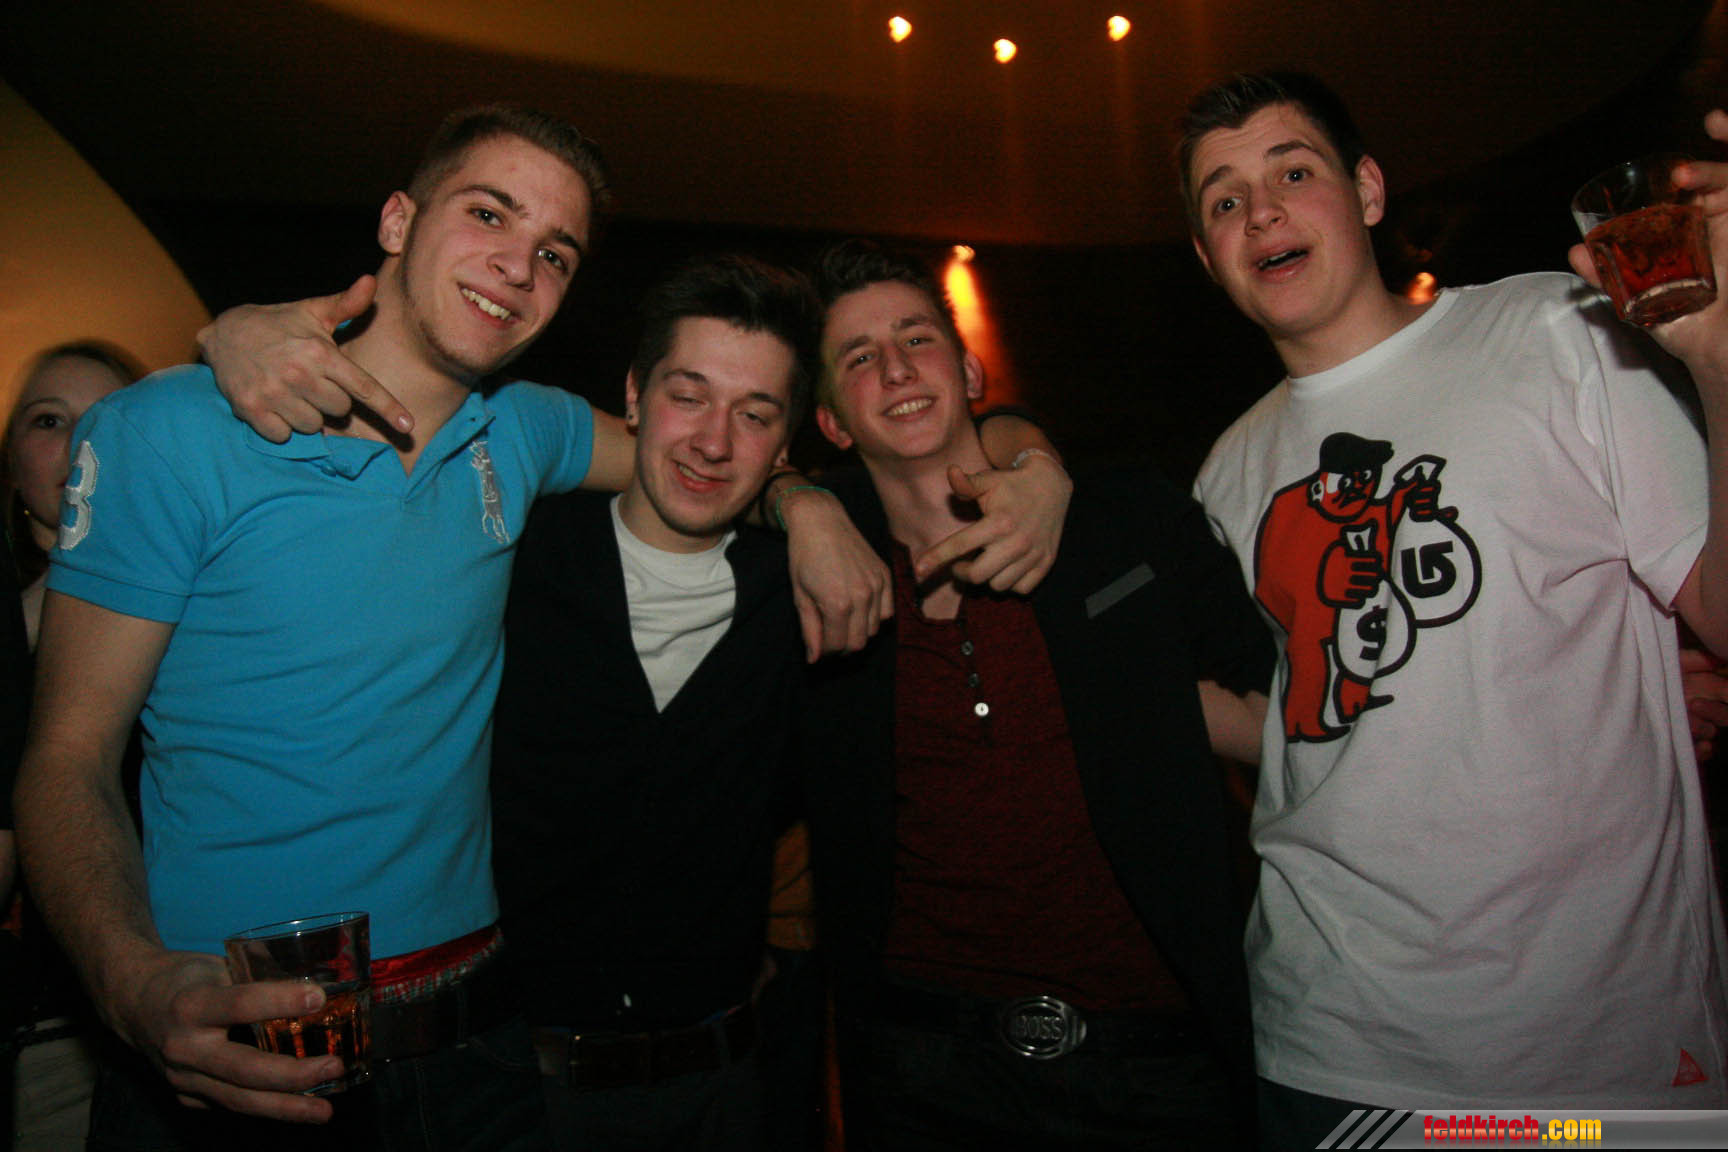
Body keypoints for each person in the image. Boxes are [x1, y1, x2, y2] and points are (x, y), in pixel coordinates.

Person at [13, 104, 629, 1151]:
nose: (518, 266)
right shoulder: (171, 430)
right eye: (489, 214)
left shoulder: (524, 432)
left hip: (474, 1045)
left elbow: (698, 462)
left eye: (555, 253)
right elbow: (66, 759)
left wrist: (802, 504)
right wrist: (133, 984)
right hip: (231, 1044)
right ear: (397, 221)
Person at [1181, 73, 1728, 1144]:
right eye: (1225, 200)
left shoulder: (1556, 326)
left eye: (1293, 172)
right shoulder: (1226, 473)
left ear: (1367, 190)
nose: (1263, 213)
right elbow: (1290, 722)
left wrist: (1718, 364)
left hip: (1606, 1049)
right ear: (1209, 257)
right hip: (1336, 1045)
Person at [798, 240, 1274, 1151]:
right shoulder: (820, 584)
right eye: (859, 357)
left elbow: (1274, 717)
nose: (895, 368)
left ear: (972, 371)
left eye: (917, 338)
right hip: (925, 1061)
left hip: (1154, 1054)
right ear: (832, 422)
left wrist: (1129, 686)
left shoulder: (1126, 517)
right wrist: (799, 505)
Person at [2, 342, 138, 1151]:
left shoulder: (220, 624)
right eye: (49, 421)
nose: (81, 442)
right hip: (47, 1039)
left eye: (109, 421)